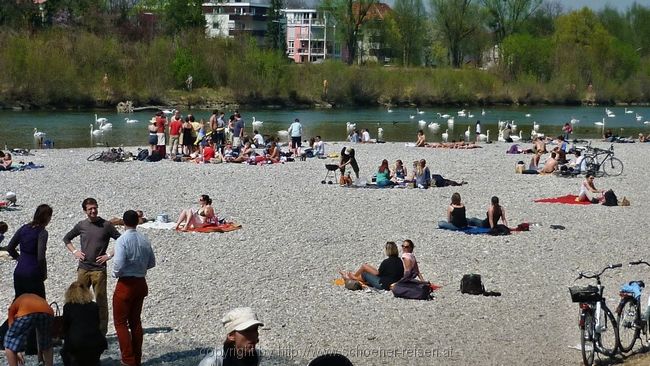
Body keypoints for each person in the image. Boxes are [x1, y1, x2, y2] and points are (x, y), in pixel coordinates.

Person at [63, 198, 121, 335]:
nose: (93, 211)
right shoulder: (81, 225)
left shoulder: (106, 225)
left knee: (101, 302)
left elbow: (121, 240)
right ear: (85, 211)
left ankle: (101, 333)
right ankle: (79, 330)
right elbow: (67, 239)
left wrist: (109, 255)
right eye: (90, 209)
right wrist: (75, 251)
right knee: (78, 301)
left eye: (95, 208)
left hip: (99, 270)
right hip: (83, 269)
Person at [112, 210, 156, 366]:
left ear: (123, 222)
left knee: (120, 322)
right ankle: (137, 357)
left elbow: (118, 263)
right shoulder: (144, 240)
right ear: (137, 222)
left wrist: (115, 274)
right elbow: (152, 262)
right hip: (141, 282)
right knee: (135, 321)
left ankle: (128, 359)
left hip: (126, 283)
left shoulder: (122, 240)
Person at [7, 204, 53, 299]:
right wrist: (44, 273)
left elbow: (10, 247)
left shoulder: (24, 228)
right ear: (47, 217)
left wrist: (19, 258)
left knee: (20, 302)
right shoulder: (42, 232)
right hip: (33, 273)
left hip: (19, 271)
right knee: (38, 303)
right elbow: (40, 257)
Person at [60, 281, 107, 366]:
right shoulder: (94, 306)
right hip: (95, 342)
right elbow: (97, 323)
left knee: (64, 353)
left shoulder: (68, 307)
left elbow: (65, 327)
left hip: (77, 344)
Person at [198, 307, 264, 366]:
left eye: (255, 329)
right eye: (247, 331)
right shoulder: (212, 362)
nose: (254, 335)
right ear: (231, 335)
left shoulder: (257, 355)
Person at [4, 293, 54, 366]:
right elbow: (39, 333)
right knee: (46, 341)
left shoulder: (12, 308)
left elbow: (12, 335)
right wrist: (39, 354)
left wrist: (17, 351)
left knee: (9, 343)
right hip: (48, 312)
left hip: (27, 310)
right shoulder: (31, 298)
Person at [339, 242, 404, 290]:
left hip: (383, 285)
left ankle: (352, 277)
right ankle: (352, 276)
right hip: (393, 283)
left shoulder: (386, 262)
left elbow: (378, 274)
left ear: (387, 250)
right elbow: (401, 274)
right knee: (365, 267)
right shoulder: (399, 261)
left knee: (364, 273)